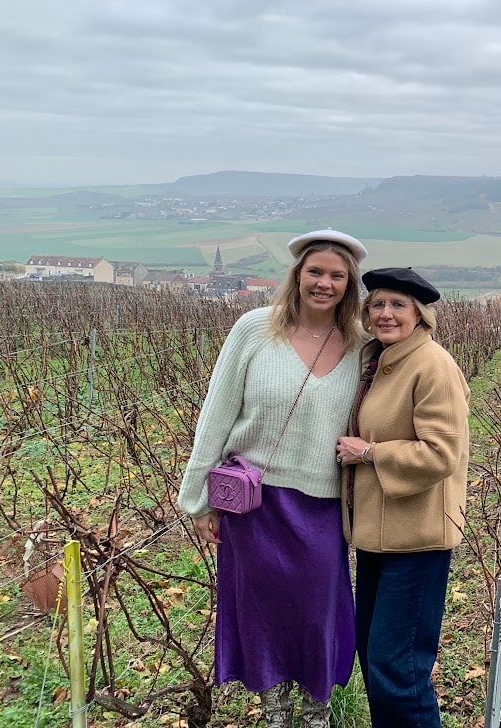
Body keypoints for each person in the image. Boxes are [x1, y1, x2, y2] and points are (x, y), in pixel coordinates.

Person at [177, 229, 368, 728]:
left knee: (316, 612)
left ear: (350, 285)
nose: (324, 283)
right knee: (262, 611)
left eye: (336, 275)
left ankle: (317, 711)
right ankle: (275, 711)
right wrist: (198, 499)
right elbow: (216, 415)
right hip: (253, 504)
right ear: (297, 275)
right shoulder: (253, 330)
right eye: (315, 272)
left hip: (322, 505)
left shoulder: (361, 347)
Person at [335, 267, 470, 728]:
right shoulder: (378, 359)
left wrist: (369, 452)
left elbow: (441, 453)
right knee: (374, 655)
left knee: (398, 667)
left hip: (416, 539)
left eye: (398, 305)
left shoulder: (432, 365)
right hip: (380, 535)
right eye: (377, 304)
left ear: (420, 313)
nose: (386, 313)